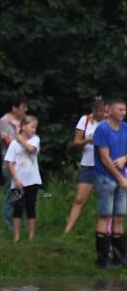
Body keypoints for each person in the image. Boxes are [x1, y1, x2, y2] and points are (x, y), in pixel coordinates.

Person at [92, 96, 127, 267]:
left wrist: (124, 159)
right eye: (120, 109)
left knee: (119, 216)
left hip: (121, 177)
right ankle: (103, 259)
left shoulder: (125, 128)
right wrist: (121, 178)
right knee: (105, 216)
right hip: (105, 177)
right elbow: (104, 158)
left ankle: (120, 258)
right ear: (110, 110)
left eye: (125, 110)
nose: (123, 113)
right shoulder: (103, 129)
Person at [64, 96, 106, 234]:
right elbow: (76, 142)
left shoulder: (110, 121)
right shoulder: (85, 120)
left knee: (105, 200)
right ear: (93, 109)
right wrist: (87, 140)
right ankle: (67, 230)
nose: (99, 113)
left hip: (106, 165)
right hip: (88, 163)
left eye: (101, 109)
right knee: (79, 199)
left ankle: (104, 232)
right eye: (96, 110)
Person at [4, 115, 42, 243]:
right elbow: (9, 162)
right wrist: (16, 180)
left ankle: (31, 237)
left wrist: (20, 139)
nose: (34, 130)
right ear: (23, 126)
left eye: (35, 127)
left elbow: (31, 149)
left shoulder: (35, 139)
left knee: (31, 207)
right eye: (31, 127)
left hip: (33, 180)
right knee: (17, 208)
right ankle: (16, 237)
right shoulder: (14, 144)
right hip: (18, 182)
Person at [0, 93, 28, 231]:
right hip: (11, 165)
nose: (25, 110)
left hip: (25, 165)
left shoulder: (24, 122)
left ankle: (24, 224)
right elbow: (10, 143)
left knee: (24, 195)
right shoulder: (5, 122)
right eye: (23, 107)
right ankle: (8, 225)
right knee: (11, 194)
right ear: (14, 108)